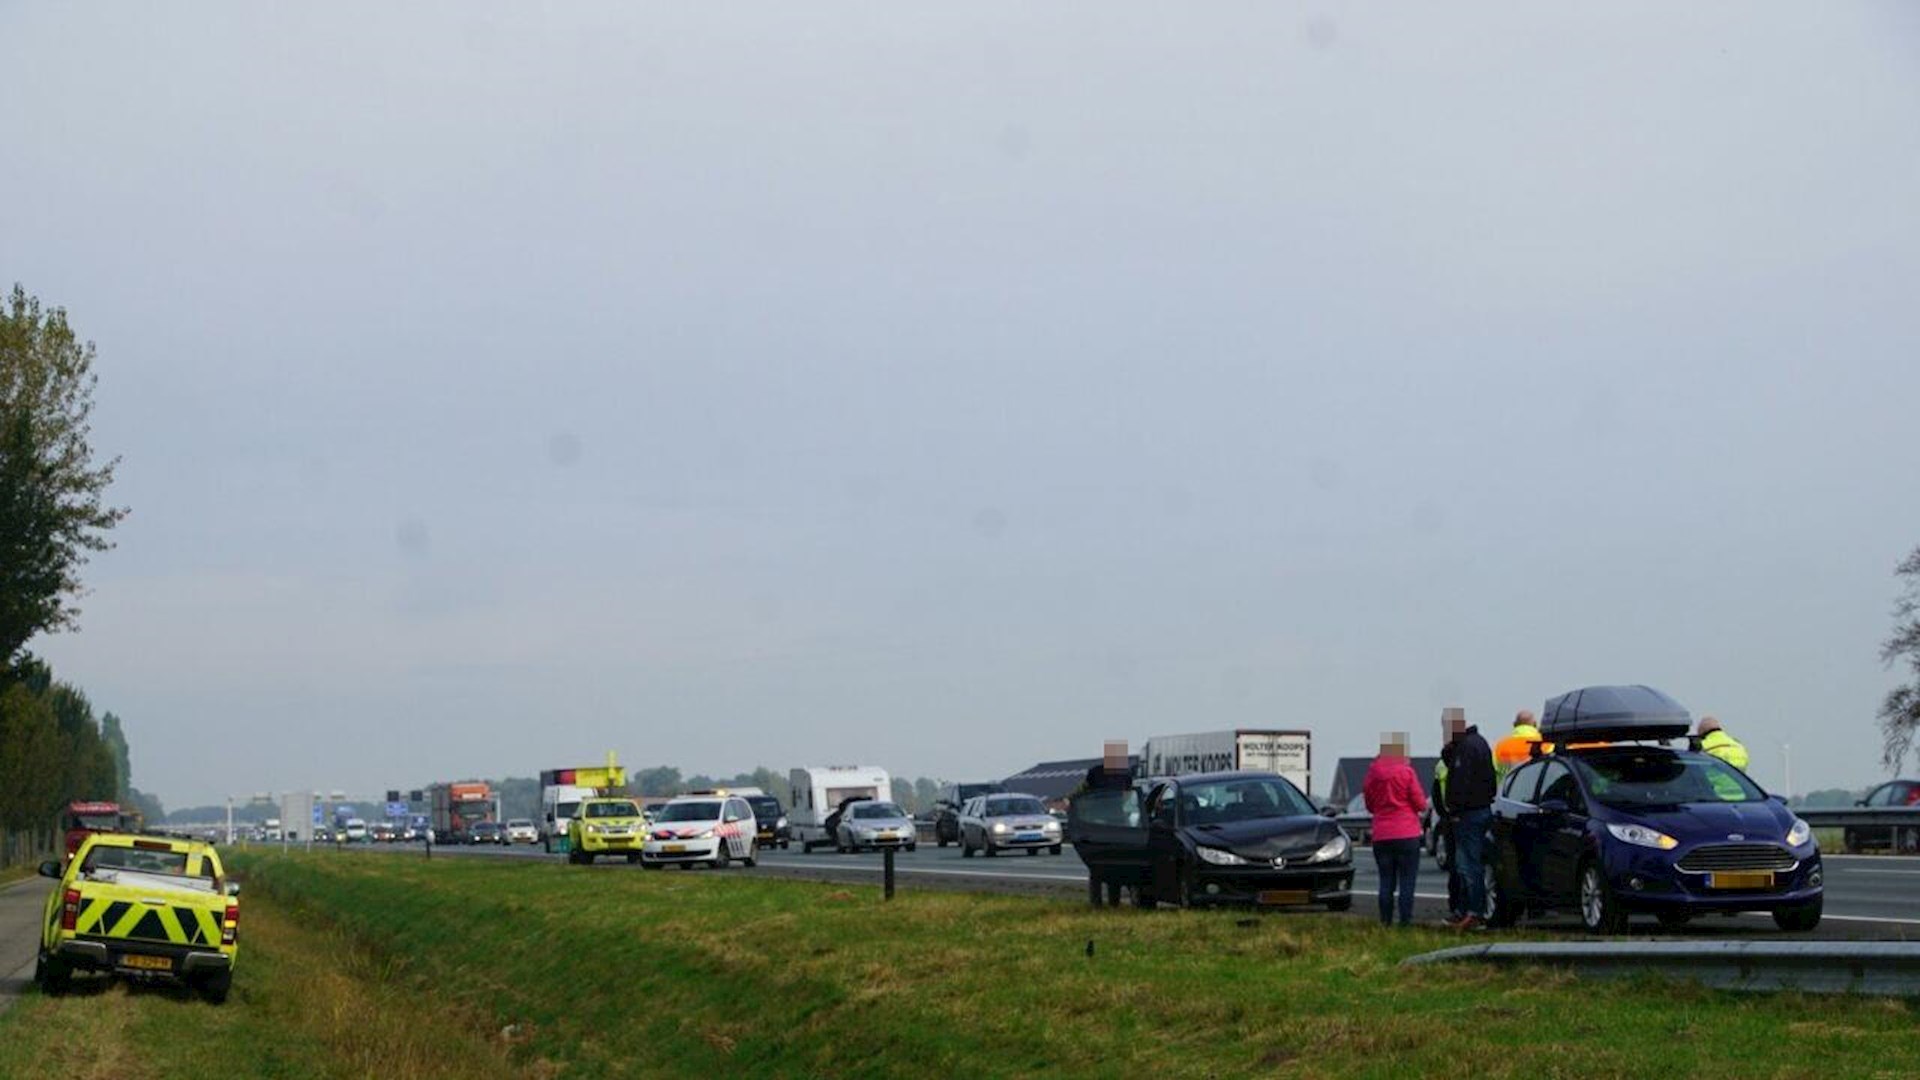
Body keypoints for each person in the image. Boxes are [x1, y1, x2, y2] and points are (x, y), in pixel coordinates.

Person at [1362, 732, 1428, 927]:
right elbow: (1420, 803)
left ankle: (1385, 921)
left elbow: (1369, 804)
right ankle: (1405, 921)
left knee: (1386, 880)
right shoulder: (1407, 772)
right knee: (1407, 880)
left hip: (1382, 833)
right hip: (1407, 832)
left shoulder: (1372, 774)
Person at [1441, 712, 1497, 930]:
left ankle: (1474, 913)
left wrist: (1455, 809)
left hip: (1468, 814)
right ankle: (1469, 911)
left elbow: (1460, 782)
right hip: (1482, 809)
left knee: (1468, 865)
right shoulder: (1480, 743)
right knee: (1471, 864)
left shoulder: (1465, 749)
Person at [1493, 710, 1544, 778]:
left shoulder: (1501, 746)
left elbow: (1493, 771)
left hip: (1509, 787)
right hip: (1540, 787)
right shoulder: (1547, 744)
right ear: (1535, 724)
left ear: (1514, 725)